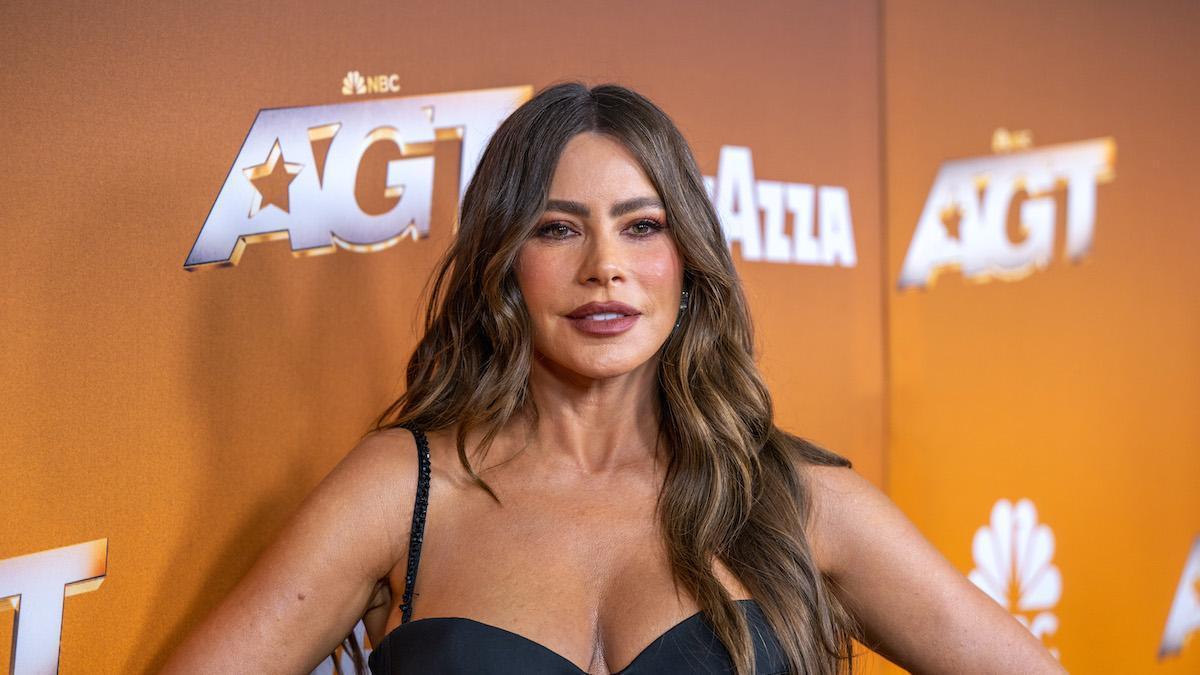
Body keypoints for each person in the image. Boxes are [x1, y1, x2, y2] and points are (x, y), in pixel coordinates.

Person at [162, 82, 1065, 675]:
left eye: (642, 226)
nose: (605, 267)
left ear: (688, 259)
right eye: (557, 229)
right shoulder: (405, 490)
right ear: (503, 263)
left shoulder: (796, 501)